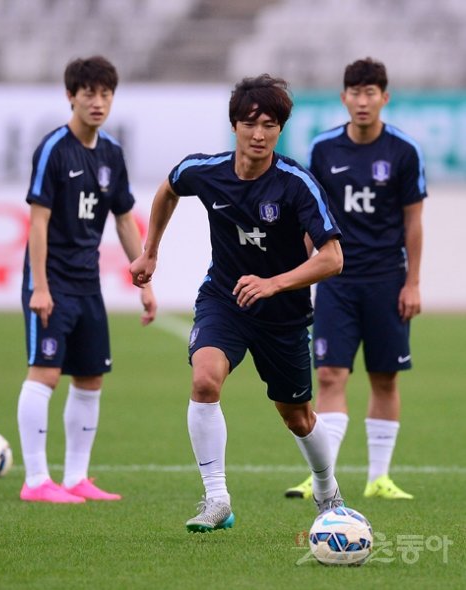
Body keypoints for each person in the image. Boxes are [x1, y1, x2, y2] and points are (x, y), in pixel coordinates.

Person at [131, 74, 344, 533]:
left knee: (298, 416)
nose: (260, 133)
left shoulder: (296, 184)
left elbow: (332, 258)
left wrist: (273, 283)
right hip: (224, 298)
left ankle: (327, 491)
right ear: (234, 125)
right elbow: (169, 187)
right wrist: (150, 251)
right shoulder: (205, 172)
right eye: (251, 123)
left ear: (281, 129)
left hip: (283, 313)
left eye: (270, 124)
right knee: (205, 379)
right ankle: (216, 498)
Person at [285, 57, 426, 501]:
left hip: (387, 278)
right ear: (344, 97)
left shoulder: (403, 151)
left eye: (372, 93)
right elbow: (310, 217)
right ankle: (320, 475)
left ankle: (378, 478)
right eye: (355, 92)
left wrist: (413, 282)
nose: (363, 101)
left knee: (385, 377)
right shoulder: (324, 150)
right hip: (337, 279)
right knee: (328, 374)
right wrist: (297, 273)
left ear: (384, 98)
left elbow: (414, 222)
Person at [17, 55, 157, 503]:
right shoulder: (54, 149)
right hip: (53, 279)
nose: (97, 102)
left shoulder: (112, 153)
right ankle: (36, 480)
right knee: (45, 373)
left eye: (105, 94)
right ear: (71, 97)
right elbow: (37, 222)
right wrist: (40, 286)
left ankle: (76, 477)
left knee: (91, 377)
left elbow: (122, 220)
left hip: (87, 281)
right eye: (89, 93)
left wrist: (145, 282)